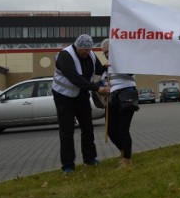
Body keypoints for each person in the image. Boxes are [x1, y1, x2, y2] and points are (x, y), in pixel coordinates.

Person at [52, 34, 110, 173]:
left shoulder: (90, 55)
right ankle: (67, 165)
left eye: (89, 49)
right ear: (78, 47)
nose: (88, 52)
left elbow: (98, 70)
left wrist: (107, 68)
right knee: (67, 131)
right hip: (63, 97)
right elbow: (75, 79)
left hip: (81, 96)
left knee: (87, 127)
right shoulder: (65, 56)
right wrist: (97, 88)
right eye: (85, 50)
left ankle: (90, 159)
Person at [101, 38, 138, 168]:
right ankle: (123, 151)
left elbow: (130, 71)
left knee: (123, 129)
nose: (106, 54)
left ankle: (127, 160)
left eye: (109, 51)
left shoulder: (125, 61)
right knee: (110, 130)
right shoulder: (106, 69)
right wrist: (102, 89)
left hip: (126, 95)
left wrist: (116, 61)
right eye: (104, 52)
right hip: (111, 99)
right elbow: (101, 85)